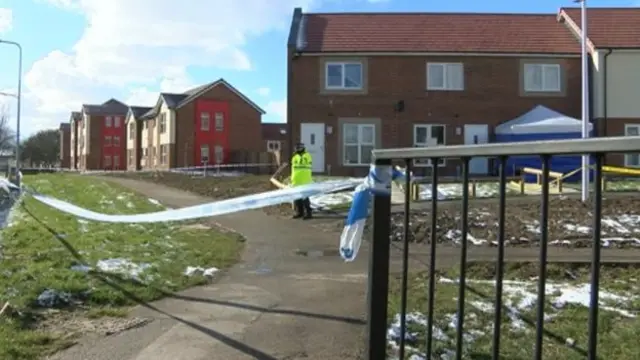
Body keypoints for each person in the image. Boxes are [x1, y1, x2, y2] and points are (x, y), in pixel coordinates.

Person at [291, 142, 313, 219]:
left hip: (305, 180)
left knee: (305, 197)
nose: (296, 149)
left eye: (298, 148)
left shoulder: (307, 155)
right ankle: (300, 212)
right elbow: (293, 169)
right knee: (297, 197)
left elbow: (305, 164)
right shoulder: (294, 157)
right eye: (296, 148)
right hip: (296, 180)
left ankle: (308, 213)